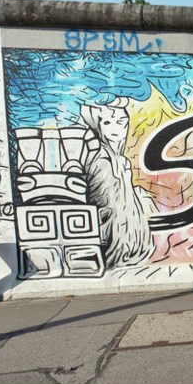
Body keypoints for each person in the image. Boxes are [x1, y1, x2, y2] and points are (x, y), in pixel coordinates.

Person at [81, 99, 154, 268]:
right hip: (115, 247)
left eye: (121, 122)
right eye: (107, 122)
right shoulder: (100, 159)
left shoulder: (121, 161)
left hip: (132, 246)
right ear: (96, 126)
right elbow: (109, 205)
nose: (116, 129)